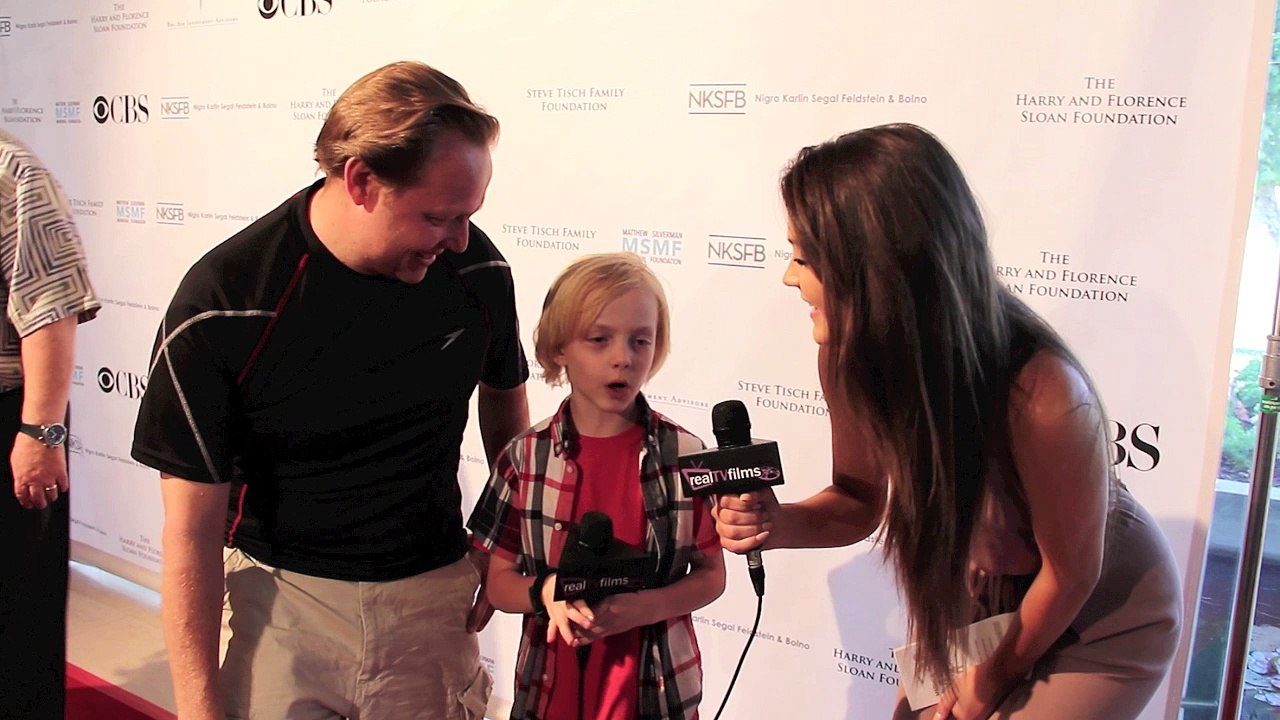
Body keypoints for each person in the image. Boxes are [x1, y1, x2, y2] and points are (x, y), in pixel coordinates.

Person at [713, 124, 1182, 719]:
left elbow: (1071, 575)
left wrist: (988, 683)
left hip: (1102, 612)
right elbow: (858, 501)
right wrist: (778, 524)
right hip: (988, 595)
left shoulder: (1042, 395)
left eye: (805, 257)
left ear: (877, 267)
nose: (789, 277)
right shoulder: (847, 355)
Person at [131, 61, 530, 720]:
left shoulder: (477, 271)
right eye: (437, 216)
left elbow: (504, 395)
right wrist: (199, 711)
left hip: (433, 601)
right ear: (361, 180)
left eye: (469, 215)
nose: (458, 239)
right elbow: (191, 534)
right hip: (285, 606)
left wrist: (513, 530)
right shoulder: (224, 303)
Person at [468, 252, 726, 720]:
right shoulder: (525, 457)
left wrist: (644, 607)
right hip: (550, 692)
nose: (623, 359)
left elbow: (711, 576)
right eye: (599, 339)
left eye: (640, 340)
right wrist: (546, 593)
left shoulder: (684, 454)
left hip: (656, 690)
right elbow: (499, 583)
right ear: (559, 348)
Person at [0, 129, 100, 719]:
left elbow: (50, 306)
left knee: (15, 616)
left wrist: (41, 433)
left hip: (12, 416)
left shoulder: (10, 168)